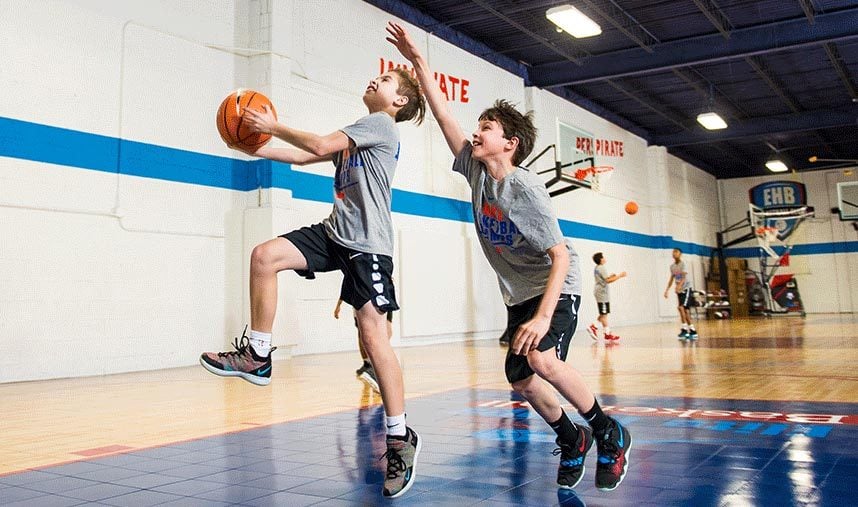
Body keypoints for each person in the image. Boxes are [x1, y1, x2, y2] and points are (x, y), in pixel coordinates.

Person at [387, 22, 631, 492]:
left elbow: (559, 256)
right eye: (478, 127)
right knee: (521, 381)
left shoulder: (523, 188)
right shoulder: (477, 172)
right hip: (520, 293)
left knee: (540, 358)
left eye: (487, 128)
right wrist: (419, 61)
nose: (476, 133)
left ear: (510, 143)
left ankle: (607, 431)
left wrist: (542, 318)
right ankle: (572, 438)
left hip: (557, 287)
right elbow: (443, 118)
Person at [199, 66, 426, 498]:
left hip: (368, 245)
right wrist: (254, 149)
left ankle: (399, 438)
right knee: (264, 256)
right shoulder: (363, 130)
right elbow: (308, 157)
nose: (374, 81)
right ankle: (258, 356)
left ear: (398, 102)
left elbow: (318, 144)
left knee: (374, 337)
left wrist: (271, 126)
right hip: (335, 233)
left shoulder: (380, 124)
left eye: (387, 82)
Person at [334, 297, 393, 392]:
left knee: (385, 333)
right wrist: (339, 305)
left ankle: (374, 367)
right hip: (365, 300)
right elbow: (347, 285)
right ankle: (369, 365)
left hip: (382, 298)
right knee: (365, 334)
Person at [587, 252, 627, 341]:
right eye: (603, 257)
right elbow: (608, 280)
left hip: (600, 292)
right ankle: (595, 327)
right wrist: (620, 275)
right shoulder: (601, 268)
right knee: (604, 314)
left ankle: (605, 332)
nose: (604, 258)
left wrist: (611, 276)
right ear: (600, 259)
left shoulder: (597, 268)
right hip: (602, 293)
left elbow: (604, 279)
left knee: (603, 313)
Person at [663, 248, 698, 340]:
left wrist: (679, 286)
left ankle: (685, 329)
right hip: (679, 291)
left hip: (686, 289)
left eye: (676, 252)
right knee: (684, 311)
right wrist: (667, 290)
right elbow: (672, 279)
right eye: (673, 252)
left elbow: (683, 277)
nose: (674, 253)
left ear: (680, 254)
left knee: (681, 308)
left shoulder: (683, 264)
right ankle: (692, 331)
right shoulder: (672, 266)